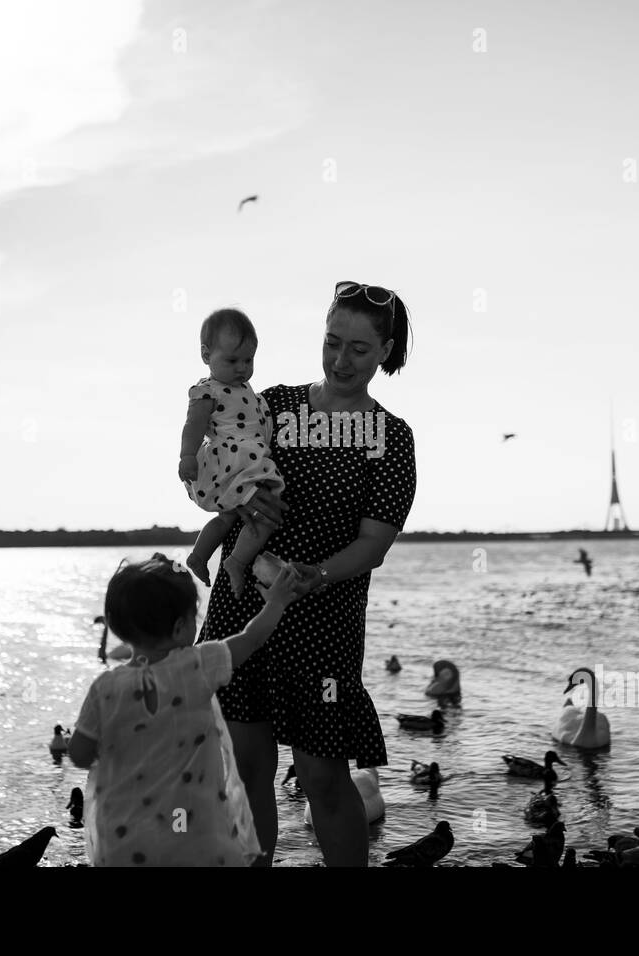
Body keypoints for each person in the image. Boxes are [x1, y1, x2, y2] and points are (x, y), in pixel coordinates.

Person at [197, 280, 417, 866]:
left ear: (385, 351)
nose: (341, 360)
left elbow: (372, 545)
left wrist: (312, 574)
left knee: (322, 777)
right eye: (332, 342)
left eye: (360, 349)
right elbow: (221, 469)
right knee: (246, 770)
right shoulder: (274, 403)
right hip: (243, 604)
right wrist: (239, 502)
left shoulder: (391, 439)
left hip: (324, 619)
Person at [68, 552, 302, 866]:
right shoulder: (199, 665)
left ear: (114, 625)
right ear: (180, 627)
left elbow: (80, 755)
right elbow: (252, 638)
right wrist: (275, 603)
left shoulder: (104, 689)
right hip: (196, 838)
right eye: (196, 616)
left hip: (123, 839)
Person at [178, 309, 286, 596]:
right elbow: (193, 426)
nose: (242, 368)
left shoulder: (243, 387)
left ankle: (199, 556)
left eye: (248, 360)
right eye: (232, 360)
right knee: (266, 515)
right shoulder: (207, 391)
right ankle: (236, 562)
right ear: (206, 355)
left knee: (227, 519)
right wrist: (187, 456)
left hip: (245, 462)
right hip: (232, 463)